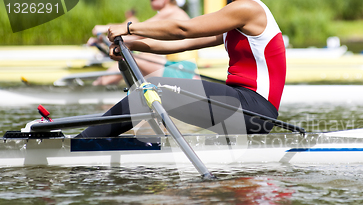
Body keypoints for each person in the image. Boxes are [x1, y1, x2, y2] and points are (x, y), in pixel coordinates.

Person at [77, 0, 286, 137]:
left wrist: (130, 27)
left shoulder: (248, 9)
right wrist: (133, 45)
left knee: (154, 90)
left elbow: (183, 30)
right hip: (243, 106)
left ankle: (81, 141)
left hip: (254, 108)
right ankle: (91, 137)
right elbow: (180, 44)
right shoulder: (234, 19)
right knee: (152, 92)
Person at [89, 0, 191, 86]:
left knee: (129, 59)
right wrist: (104, 40)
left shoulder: (171, 11)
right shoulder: (169, 12)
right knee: (135, 56)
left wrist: (105, 28)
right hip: (175, 66)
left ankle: (98, 86)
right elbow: (135, 36)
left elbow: (138, 31)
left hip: (182, 70)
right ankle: (102, 84)